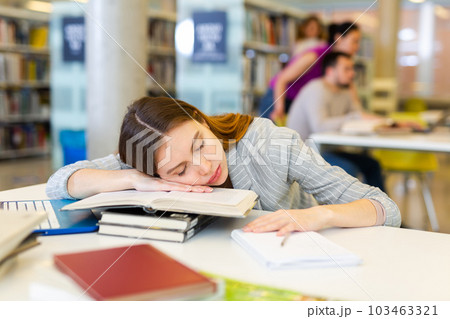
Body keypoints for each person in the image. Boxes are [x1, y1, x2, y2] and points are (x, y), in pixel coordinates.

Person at [46, 97, 401, 235]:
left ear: (201, 119)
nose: (204, 167)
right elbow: (60, 182)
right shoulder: (148, 159)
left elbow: (385, 207)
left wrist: (318, 216)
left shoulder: (269, 143)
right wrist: (136, 180)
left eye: (200, 143)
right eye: (180, 171)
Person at [287, 51, 385, 191]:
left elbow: (359, 115)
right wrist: (353, 117)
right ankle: (348, 212)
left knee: (372, 165)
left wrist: (386, 123)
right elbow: (320, 126)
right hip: (306, 154)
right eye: (346, 69)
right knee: (349, 169)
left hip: (327, 151)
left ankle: (383, 210)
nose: (352, 74)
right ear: (330, 71)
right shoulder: (316, 89)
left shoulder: (344, 91)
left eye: (352, 69)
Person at [259, 21, 361, 123]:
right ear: (339, 38)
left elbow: (352, 95)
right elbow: (281, 79)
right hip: (278, 98)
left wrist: (360, 115)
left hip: (296, 100)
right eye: (354, 41)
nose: (357, 47)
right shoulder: (314, 56)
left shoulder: (341, 64)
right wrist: (279, 108)